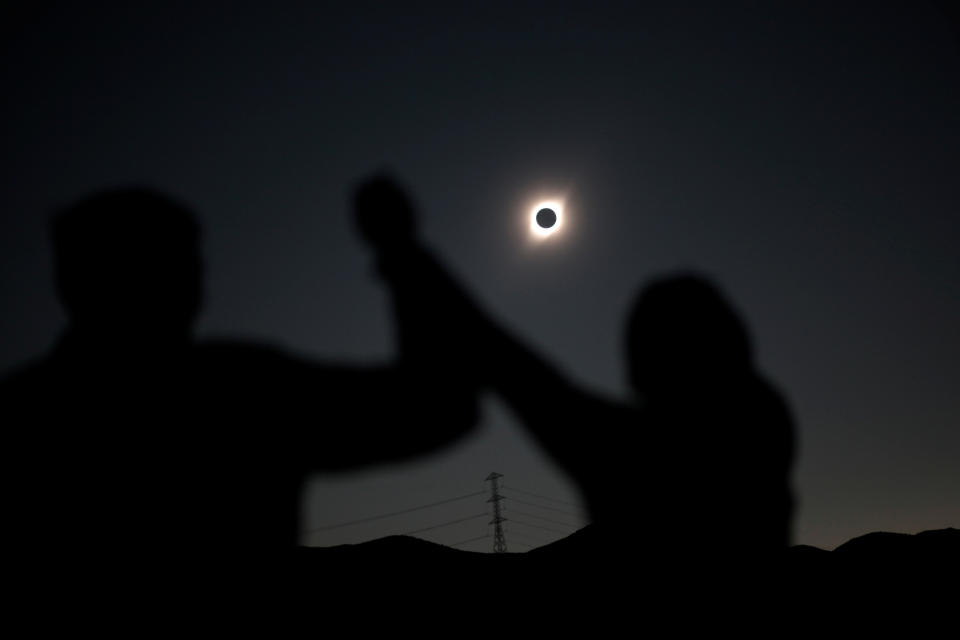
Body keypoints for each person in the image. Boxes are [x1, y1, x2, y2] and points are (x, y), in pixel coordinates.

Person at [0, 188, 478, 580]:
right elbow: (440, 407)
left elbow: (440, 408)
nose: (196, 277)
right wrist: (399, 250)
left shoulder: (23, 415)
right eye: (181, 264)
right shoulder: (246, 390)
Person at [353, 174, 796, 576]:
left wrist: (403, 253)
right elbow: (519, 371)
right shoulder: (761, 425)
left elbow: (517, 371)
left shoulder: (642, 462)